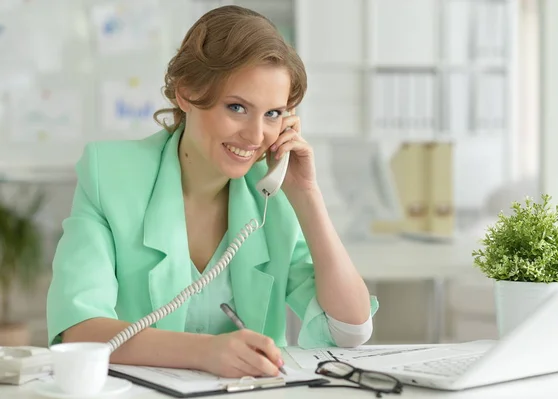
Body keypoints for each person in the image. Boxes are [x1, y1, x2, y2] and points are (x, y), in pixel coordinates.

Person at [46, 5, 378, 378]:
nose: (255, 137)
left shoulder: (273, 195)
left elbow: (351, 330)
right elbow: (78, 331)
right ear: (186, 94)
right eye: (237, 107)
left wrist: (307, 195)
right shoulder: (110, 175)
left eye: (272, 114)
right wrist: (205, 352)